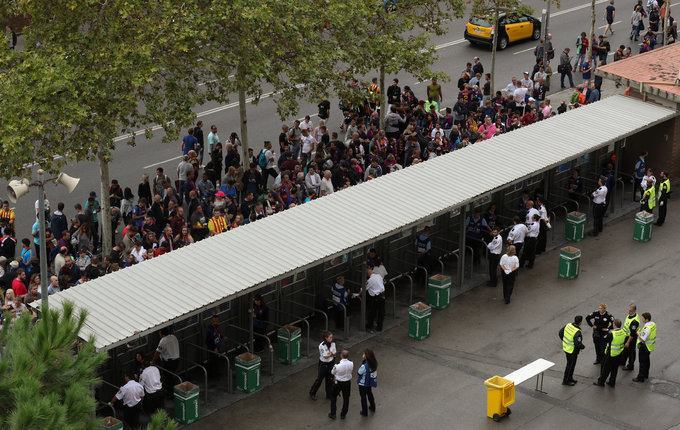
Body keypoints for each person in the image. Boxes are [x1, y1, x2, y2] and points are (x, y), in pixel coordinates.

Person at [594, 319, 625, 387]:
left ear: (614, 325)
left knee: (605, 369)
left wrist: (607, 332)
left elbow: (605, 339)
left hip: (610, 354)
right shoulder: (623, 332)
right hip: (619, 354)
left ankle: (601, 383)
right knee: (614, 369)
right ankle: (612, 382)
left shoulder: (611, 334)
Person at [310, 331, 336, 401]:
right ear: (326, 338)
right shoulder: (321, 345)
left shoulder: (333, 344)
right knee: (319, 379)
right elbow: (325, 356)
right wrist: (331, 354)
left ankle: (329, 394)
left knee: (329, 379)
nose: (331, 338)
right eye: (330, 337)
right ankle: (312, 393)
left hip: (331, 363)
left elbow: (334, 353)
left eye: (332, 337)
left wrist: (330, 354)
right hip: (323, 364)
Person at [153, 327, 180, 396]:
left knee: (168, 378)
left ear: (162, 333)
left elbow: (157, 352)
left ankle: (171, 394)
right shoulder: (173, 337)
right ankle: (175, 390)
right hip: (177, 360)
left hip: (169, 362)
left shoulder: (163, 340)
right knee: (172, 376)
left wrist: (152, 361)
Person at [560, 315, 585, 385]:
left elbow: (560, 333)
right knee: (570, 366)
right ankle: (566, 381)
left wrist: (564, 340)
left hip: (566, 348)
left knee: (569, 364)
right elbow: (578, 343)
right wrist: (583, 347)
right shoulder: (577, 332)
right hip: (572, 351)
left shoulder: (568, 325)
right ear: (580, 322)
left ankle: (570, 378)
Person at [329, 349, 353, 420]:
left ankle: (333, 413)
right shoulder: (351, 363)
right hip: (347, 383)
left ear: (341, 356)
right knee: (346, 398)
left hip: (338, 383)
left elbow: (332, 372)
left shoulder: (337, 366)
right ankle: (343, 414)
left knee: (333, 397)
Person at [633, 312, 656, 382]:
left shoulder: (647, 328)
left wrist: (638, 333)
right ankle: (646, 374)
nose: (641, 319)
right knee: (647, 361)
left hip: (644, 346)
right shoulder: (652, 324)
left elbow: (643, 338)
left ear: (646, 319)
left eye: (642, 318)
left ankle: (640, 377)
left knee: (642, 362)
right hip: (649, 346)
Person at [357, 349, 378, 417]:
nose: (362, 355)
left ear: (366, 356)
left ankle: (364, 412)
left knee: (363, 398)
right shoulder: (374, 363)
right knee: (370, 395)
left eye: (364, 354)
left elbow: (359, 372)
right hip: (369, 383)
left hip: (363, 384)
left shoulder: (364, 366)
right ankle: (372, 407)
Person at [620, 303, 641, 371]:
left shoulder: (634, 321)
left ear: (634, 310)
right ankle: (622, 363)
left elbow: (632, 333)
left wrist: (628, 342)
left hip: (631, 338)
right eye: (629, 308)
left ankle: (630, 366)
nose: (629, 310)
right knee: (625, 350)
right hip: (626, 336)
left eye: (631, 309)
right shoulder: (629, 316)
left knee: (631, 352)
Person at [365, 266, 385, 332]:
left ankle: (370, 325)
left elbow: (365, 288)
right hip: (382, 296)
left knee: (372, 312)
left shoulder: (370, 280)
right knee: (381, 312)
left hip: (376, 298)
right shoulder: (379, 276)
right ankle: (379, 327)